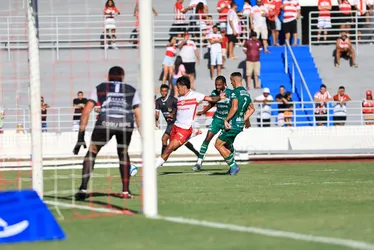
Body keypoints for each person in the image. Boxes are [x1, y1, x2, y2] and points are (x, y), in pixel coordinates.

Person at [73, 66, 141, 200]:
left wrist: (81, 134)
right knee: (123, 153)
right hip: (126, 122)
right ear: (123, 77)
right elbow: (139, 115)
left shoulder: (100, 87)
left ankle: (83, 188)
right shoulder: (131, 90)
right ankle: (125, 192)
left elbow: (86, 110)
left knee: (92, 151)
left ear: (108, 77)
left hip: (106, 121)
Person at [155, 76, 225, 168]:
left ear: (184, 87)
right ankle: (192, 134)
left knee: (169, 148)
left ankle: (151, 170)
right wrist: (172, 114)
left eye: (178, 87)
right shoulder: (179, 97)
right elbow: (178, 108)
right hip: (175, 126)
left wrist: (219, 97)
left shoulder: (195, 96)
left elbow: (211, 99)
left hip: (185, 128)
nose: (177, 89)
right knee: (174, 148)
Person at [215, 72, 255, 176]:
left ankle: (233, 166)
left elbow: (234, 107)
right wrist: (243, 119)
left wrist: (226, 120)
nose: (231, 83)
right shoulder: (246, 93)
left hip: (232, 125)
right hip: (239, 125)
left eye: (231, 81)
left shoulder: (234, 92)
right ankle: (231, 162)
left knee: (218, 144)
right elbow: (252, 109)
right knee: (226, 145)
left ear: (233, 80)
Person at [193, 76, 232, 171]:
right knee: (207, 138)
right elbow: (212, 103)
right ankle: (199, 162)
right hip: (217, 119)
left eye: (219, 85)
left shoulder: (230, 93)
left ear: (224, 84)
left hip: (226, 120)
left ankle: (232, 162)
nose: (217, 86)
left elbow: (234, 106)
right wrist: (203, 111)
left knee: (227, 144)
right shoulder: (214, 93)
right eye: (216, 84)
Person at [155, 84, 199, 157]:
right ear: (160, 91)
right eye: (162, 91)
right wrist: (156, 120)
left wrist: (172, 113)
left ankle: (162, 158)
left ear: (167, 92)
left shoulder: (173, 100)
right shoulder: (158, 101)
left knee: (164, 139)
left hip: (176, 122)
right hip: (169, 124)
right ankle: (196, 152)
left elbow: (180, 107)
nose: (163, 93)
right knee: (181, 142)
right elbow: (157, 112)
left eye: (165, 91)